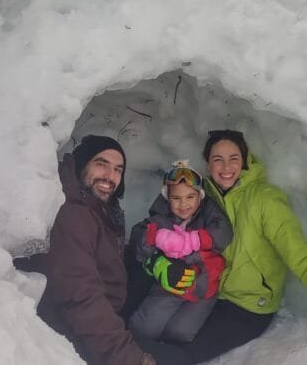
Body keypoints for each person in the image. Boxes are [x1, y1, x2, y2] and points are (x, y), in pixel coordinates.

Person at [178, 129, 307, 363]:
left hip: (247, 307)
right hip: (208, 293)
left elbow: (299, 254)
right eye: (218, 159)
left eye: (234, 158)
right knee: (160, 333)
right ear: (208, 164)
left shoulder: (265, 199)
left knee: (184, 352)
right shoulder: (201, 198)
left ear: (245, 160)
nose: (226, 167)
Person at [14, 135, 193, 365]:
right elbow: (81, 300)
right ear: (82, 164)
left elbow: (110, 256)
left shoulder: (98, 206)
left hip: (107, 309)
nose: (110, 176)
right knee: (180, 359)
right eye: (101, 164)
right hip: (77, 333)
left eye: (118, 169)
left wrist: (155, 263)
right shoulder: (72, 216)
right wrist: (130, 358)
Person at [128, 160, 233, 343]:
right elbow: (138, 236)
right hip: (169, 287)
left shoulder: (208, 217)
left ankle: (167, 353)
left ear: (200, 197)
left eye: (190, 197)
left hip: (202, 291)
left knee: (179, 333)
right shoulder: (162, 220)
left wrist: (194, 240)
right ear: (167, 199)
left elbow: (224, 233)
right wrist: (156, 246)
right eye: (176, 198)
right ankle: (129, 349)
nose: (183, 204)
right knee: (145, 327)